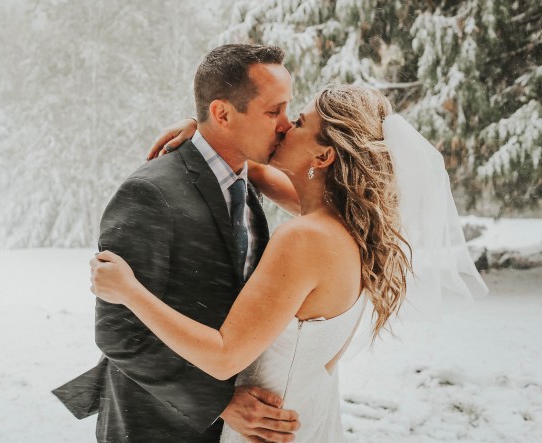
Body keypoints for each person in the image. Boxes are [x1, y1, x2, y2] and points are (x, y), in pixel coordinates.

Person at [90, 84, 489, 442]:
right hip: (309, 414)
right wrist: (210, 130)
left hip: (265, 425)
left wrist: (129, 292)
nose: (283, 127)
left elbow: (225, 355)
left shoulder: (304, 239)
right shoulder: (354, 225)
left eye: (298, 121)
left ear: (324, 154)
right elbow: (261, 172)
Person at [53, 44, 302, 442]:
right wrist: (219, 401)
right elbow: (118, 334)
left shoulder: (246, 181)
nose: (286, 125)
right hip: (154, 426)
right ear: (222, 113)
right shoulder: (150, 193)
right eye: (274, 111)